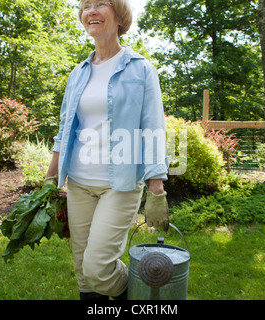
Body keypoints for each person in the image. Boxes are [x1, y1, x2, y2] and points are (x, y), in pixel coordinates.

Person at [44, 0, 169, 300]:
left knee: (98, 268)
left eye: (100, 3)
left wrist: (157, 189)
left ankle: (141, 295)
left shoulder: (141, 69)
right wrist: (51, 180)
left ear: (119, 16)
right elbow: (65, 130)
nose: (91, 11)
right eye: (86, 6)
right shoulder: (78, 73)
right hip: (78, 184)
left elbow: (153, 129)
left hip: (120, 185)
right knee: (83, 273)